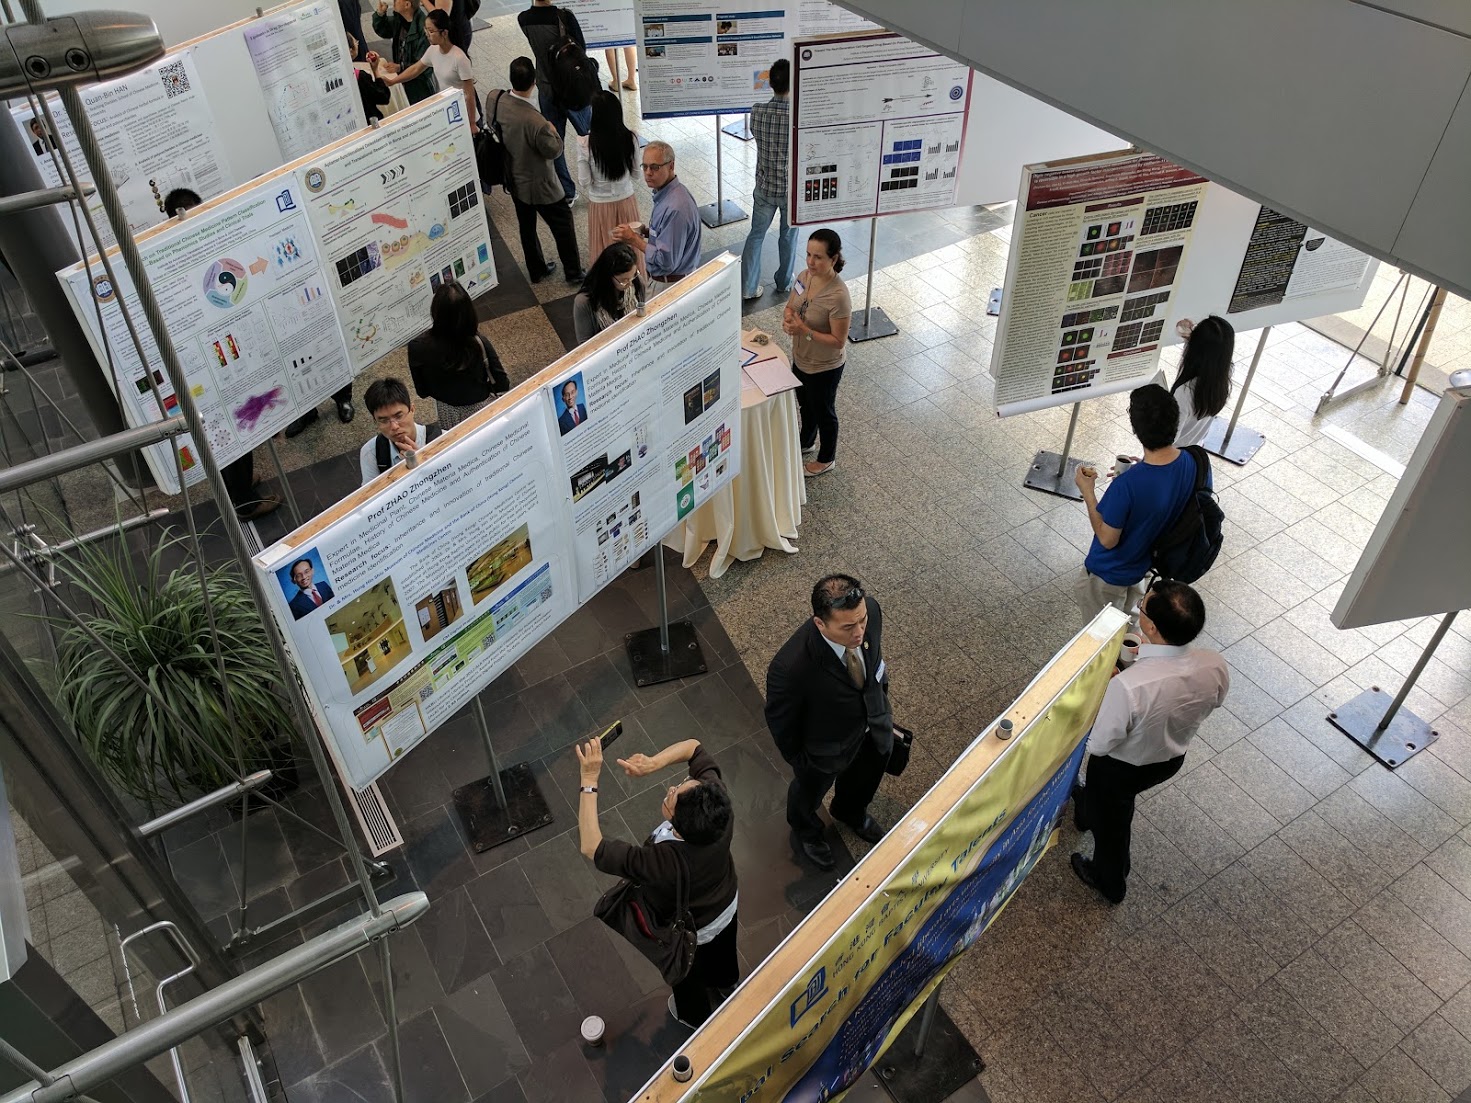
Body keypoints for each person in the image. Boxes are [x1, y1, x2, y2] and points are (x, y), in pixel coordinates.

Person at [1071, 581, 1229, 903]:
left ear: (1152, 627)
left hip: (1121, 767)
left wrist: (1110, 697)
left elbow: (1100, 744)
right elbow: (1214, 701)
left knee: (1114, 822)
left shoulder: (1129, 687)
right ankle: (1086, 809)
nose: (1139, 605)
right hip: (1171, 757)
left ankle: (1109, 880)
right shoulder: (1215, 664)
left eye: (1142, 605)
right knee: (1107, 800)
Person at [576, 735, 738, 1029]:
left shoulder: (664, 863)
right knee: (724, 953)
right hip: (726, 901)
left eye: (672, 796)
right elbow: (694, 746)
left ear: (676, 822)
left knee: (687, 976)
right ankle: (727, 984)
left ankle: (694, 1017)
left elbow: (592, 846)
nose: (671, 788)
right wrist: (653, 763)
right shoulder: (717, 804)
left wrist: (589, 779)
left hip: (694, 928)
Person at [162, 187, 282, 523]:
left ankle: (239, 486)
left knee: (238, 428)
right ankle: (243, 502)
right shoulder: (183, 260)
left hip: (225, 358)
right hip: (208, 366)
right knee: (229, 432)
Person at [766, 574, 893, 871]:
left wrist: (880, 708)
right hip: (824, 748)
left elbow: (875, 662)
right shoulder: (790, 666)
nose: (859, 631)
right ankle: (807, 832)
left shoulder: (870, 610)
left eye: (861, 620)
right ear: (820, 623)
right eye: (848, 627)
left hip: (872, 722)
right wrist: (803, 760)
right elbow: (781, 723)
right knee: (808, 792)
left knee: (866, 775)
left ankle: (850, 811)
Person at [1073, 384, 1203, 618]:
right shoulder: (1194, 461)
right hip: (1145, 566)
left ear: (1136, 428)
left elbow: (1108, 539)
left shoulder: (1127, 486)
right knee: (1129, 626)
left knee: (1098, 638)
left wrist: (1088, 492)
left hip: (1108, 573)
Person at [496, 57, 585, 284]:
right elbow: (554, 150)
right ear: (534, 82)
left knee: (527, 226)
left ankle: (536, 270)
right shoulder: (537, 121)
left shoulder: (496, 99)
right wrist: (553, 130)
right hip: (541, 185)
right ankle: (573, 273)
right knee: (563, 223)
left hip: (514, 179)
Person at [783, 229, 851, 477]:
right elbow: (791, 306)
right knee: (805, 405)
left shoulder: (838, 296)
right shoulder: (804, 276)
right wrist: (788, 319)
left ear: (833, 259)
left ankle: (826, 458)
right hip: (801, 358)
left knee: (824, 412)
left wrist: (804, 330)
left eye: (819, 257)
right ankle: (807, 441)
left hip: (824, 367)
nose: (811, 262)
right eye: (809, 255)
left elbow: (838, 341)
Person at [518, 0, 594, 201]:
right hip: (573, 88)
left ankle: (568, 192)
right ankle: (601, 183)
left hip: (547, 90)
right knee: (590, 136)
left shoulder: (523, 19)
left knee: (555, 143)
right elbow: (581, 49)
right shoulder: (564, 17)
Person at [407, 282, 508, 428]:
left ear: (435, 311)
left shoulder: (417, 346)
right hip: (481, 410)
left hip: (447, 413)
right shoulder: (478, 343)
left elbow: (422, 391)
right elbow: (501, 380)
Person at [739, 59, 798, 302]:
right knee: (788, 236)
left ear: (770, 83)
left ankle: (749, 287)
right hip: (790, 190)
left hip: (764, 186)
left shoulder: (757, 112)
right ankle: (784, 282)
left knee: (756, 235)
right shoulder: (798, 118)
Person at [612, 141, 700, 285]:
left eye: (654, 167)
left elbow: (666, 261)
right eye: (645, 167)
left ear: (671, 166)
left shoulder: (675, 208)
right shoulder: (673, 194)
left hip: (669, 285)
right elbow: (670, 236)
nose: (648, 173)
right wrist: (647, 232)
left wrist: (634, 239)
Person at [577, 91, 642, 275]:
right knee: (631, 249)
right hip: (626, 201)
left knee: (604, 251)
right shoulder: (631, 137)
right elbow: (637, 174)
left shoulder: (585, 143)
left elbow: (584, 181)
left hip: (600, 204)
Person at [380, 9, 477, 125]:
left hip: (463, 113)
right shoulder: (433, 50)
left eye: (431, 31)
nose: (427, 34)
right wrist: (393, 81)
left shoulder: (460, 58)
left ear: (444, 33)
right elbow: (416, 69)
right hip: (448, 109)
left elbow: (470, 94)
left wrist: (472, 124)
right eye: (426, 29)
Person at [359, 377, 440, 484]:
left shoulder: (441, 440)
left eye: (398, 416)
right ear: (375, 421)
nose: (394, 426)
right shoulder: (371, 453)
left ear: (412, 409)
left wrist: (423, 466)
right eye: (384, 420)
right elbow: (371, 495)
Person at [1169, 315, 1234, 448]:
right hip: (1193, 447)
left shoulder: (1185, 391)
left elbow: (1168, 440)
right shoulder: (1221, 375)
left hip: (1171, 456)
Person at [572, 243, 644, 345]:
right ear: (608, 276)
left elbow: (644, 314)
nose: (629, 284)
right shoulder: (585, 301)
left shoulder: (637, 281)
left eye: (633, 275)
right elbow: (585, 344)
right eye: (624, 280)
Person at [371, 0, 435, 106]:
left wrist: (400, 67)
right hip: (405, 79)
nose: (394, 1)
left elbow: (424, 65)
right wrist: (380, 14)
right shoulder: (400, 19)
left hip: (420, 86)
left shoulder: (423, 29)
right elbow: (384, 31)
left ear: (407, 5)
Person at [349, 38, 392, 122]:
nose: (358, 44)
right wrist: (376, 70)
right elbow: (383, 97)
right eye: (355, 42)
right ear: (351, 51)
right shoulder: (361, 77)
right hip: (369, 121)